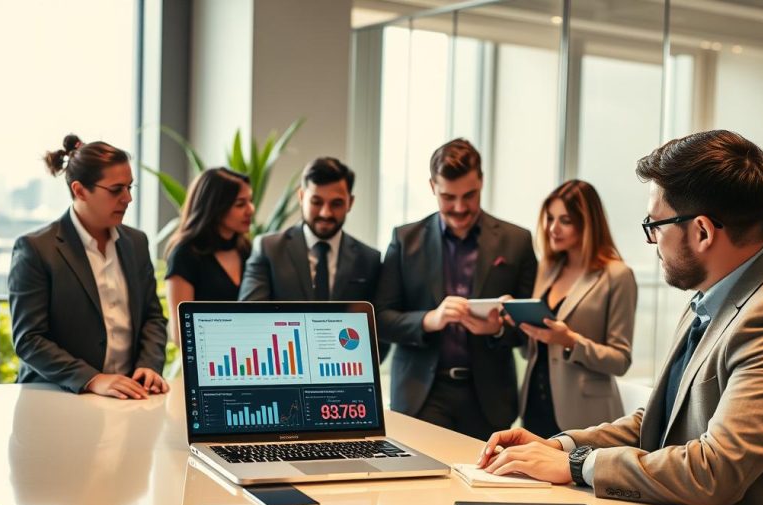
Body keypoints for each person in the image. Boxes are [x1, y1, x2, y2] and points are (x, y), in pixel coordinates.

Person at [477, 130, 763, 505]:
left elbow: (716, 472)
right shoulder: (709, 300)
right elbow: (657, 419)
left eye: (654, 225)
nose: (651, 242)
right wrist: (557, 447)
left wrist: (579, 465)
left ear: (703, 232)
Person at [375, 138, 537, 440]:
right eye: (448, 197)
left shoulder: (517, 241)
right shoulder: (404, 240)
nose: (460, 208)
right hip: (421, 396)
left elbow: (530, 329)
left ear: (482, 182)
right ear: (431, 187)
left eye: (470, 195)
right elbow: (381, 319)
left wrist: (497, 330)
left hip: (488, 399)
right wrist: (429, 320)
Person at [8, 135, 168, 400]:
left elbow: (153, 317)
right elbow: (29, 339)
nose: (127, 198)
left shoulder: (136, 242)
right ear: (80, 190)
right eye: (116, 190)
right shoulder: (36, 249)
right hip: (55, 398)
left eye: (130, 187)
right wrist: (91, 379)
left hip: (128, 397)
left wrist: (148, 366)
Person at [514, 180, 636, 438]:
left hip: (584, 415)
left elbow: (621, 360)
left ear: (587, 223)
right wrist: (514, 318)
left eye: (565, 221)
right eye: (549, 219)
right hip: (536, 403)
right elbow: (531, 350)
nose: (552, 229)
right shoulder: (547, 269)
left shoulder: (617, 276)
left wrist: (570, 341)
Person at [239, 157, 382, 305]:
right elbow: (249, 315)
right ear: (301, 197)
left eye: (336, 203)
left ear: (350, 203)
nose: (325, 213)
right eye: (316, 202)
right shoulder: (269, 249)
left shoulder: (369, 259)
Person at [165, 167, 254, 341]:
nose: (250, 209)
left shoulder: (248, 250)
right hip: (210, 362)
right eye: (240, 204)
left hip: (249, 359)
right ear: (215, 207)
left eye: (250, 201)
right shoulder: (185, 255)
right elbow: (180, 335)